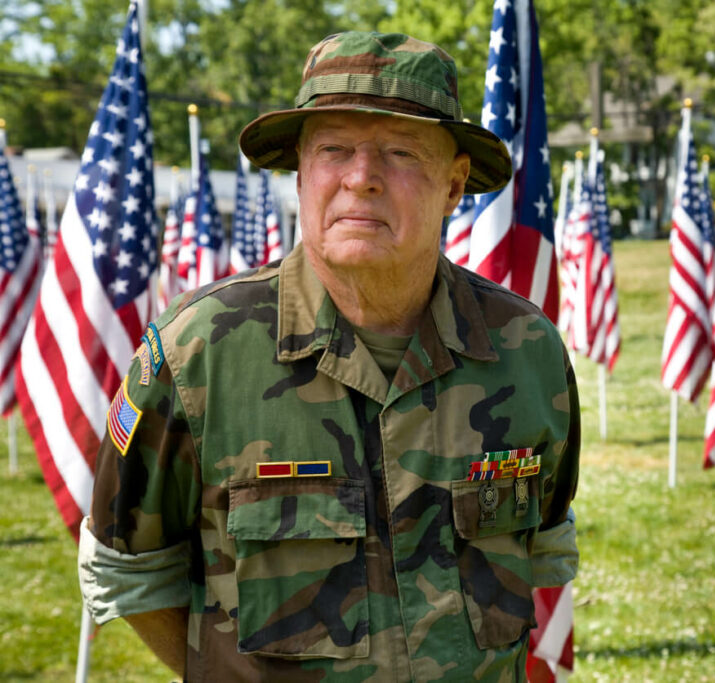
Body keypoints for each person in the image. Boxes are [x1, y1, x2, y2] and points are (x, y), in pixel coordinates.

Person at [78, 30, 579, 681]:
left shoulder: (526, 350)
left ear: (455, 185)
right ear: (302, 173)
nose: (361, 178)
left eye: (400, 153)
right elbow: (128, 568)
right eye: (333, 150)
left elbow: (544, 550)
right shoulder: (197, 352)